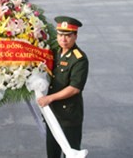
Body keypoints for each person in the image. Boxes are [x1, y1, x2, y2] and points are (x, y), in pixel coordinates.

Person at [37, 16, 89, 158]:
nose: (63, 40)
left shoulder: (79, 59)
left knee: (70, 152)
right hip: (53, 113)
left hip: (69, 115)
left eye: (68, 36)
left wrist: (49, 98)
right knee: (52, 151)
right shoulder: (55, 51)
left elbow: (74, 88)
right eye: (60, 35)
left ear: (75, 36)